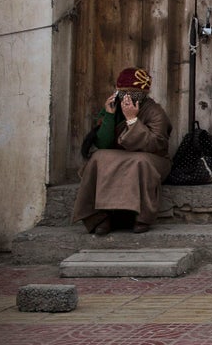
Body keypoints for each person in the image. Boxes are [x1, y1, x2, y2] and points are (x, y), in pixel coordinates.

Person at [72, 67, 173, 235]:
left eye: (133, 94)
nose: (127, 98)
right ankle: (100, 217)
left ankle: (140, 216)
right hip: (119, 157)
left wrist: (132, 120)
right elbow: (103, 144)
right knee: (99, 157)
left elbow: (157, 145)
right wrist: (110, 116)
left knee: (139, 161)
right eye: (123, 93)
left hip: (154, 159)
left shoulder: (155, 112)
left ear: (143, 94)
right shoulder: (113, 107)